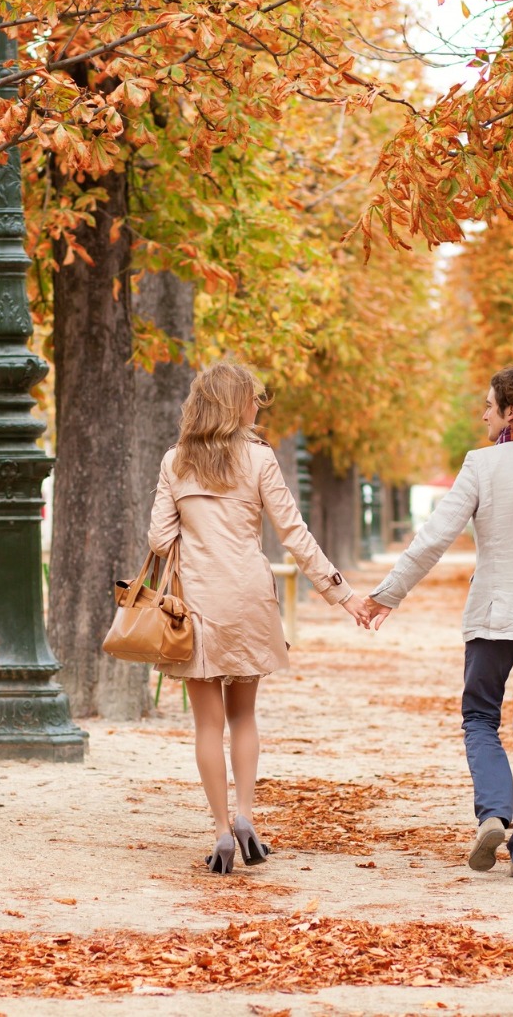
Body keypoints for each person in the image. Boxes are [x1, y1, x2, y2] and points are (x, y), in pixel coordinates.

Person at [358, 367, 513, 880]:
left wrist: (390, 593)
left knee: (480, 718)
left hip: (493, 616)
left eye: (489, 405)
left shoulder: (482, 465)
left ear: (511, 411)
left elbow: (434, 537)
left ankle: (494, 813)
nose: (483, 413)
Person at [148, 362, 370, 875]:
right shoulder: (259, 459)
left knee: (207, 723)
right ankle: (247, 817)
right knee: (243, 715)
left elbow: (159, 539)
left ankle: (222, 829)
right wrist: (343, 594)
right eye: (253, 400)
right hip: (248, 597)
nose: (257, 407)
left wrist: (197, 540)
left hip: (197, 602)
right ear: (236, 405)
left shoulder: (175, 462)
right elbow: (294, 535)